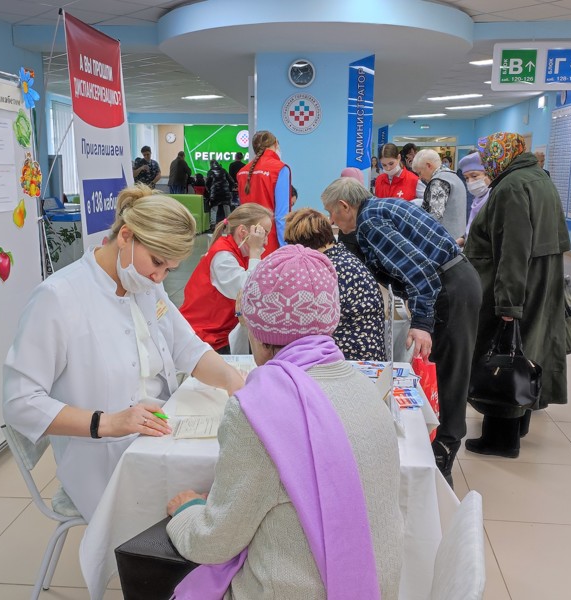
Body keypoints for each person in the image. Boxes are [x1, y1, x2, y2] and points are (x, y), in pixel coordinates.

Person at [166, 245, 403, 600]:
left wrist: (185, 512)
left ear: (258, 333)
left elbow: (214, 542)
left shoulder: (257, 412)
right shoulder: (364, 388)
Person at [3, 184, 245, 520]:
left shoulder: (145, 283)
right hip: (103, 454)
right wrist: (110, 422)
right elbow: (20, 404)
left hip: (156, 436)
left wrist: (235, 381)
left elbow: (187, 348)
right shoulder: (58, 298)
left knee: (232, 482)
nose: (159, 276)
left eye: (169, 270)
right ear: (126, 236)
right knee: (216, 502)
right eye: (157, 262)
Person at [322, 177, 482, 485]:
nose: (331, 220)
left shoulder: (369, 222)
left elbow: (422, 272)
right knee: (449, 368)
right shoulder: (380, 208)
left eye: (331, 212)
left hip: (451, 288)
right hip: (457, 281)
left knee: (448, 372)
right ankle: (440, 445)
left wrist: (422, 323)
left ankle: (442, 455)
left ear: (345, 206)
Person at [463, 132, 570, 458]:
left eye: (486, 156)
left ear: (499, 156)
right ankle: (519, 419)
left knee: (503, 356)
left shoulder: (510, 188)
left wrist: (507, 304)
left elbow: (513, 248)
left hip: (513, 283)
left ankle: (500, 438)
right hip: (540, 280)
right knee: (527, 350)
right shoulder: (539, 177)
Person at [284, 208, 388, 361]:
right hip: (366, 354)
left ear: (303, 244)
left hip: (348, 358)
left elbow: (307, 320)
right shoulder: (343, 258)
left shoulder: (327, 269)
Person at [180, 204, 272, 353]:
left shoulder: (238, 251)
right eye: (263, 234)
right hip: (205, 335)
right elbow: (250, 292)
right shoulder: (223, 257)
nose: (266, 241)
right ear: (243, 232)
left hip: (221, 330)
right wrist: (255, 250)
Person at [237, 130, 291, 256]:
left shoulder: (242, 172)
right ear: (276, 143)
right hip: (269, 240)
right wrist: (285, 248)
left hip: (246, 239)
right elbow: (281, 215)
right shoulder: (280, 169)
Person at [413, 148, 467, 240]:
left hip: (446, 242)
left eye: (420, 172)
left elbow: (433, 218)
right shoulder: (453, 176)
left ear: (428, 165)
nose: (420, 177)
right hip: (459, 238)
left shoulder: (439, 182)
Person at [456, 151, 492, 248]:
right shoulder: (477, 199)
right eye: (466, 178)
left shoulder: (494, 199)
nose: (470, 182)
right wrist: (461, 240)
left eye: (474, 176)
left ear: (488, 174)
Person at [205, 159, 237, 229]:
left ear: (211, 165)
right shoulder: (223, 170)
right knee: (226, 208)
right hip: (225, 192)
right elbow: (231, 180)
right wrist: (230, 189)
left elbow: (207, 183)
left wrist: (209, 190)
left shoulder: (210, 172)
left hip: (215, 193)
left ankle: (213, 225)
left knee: (214, 209)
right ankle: (228, 224)